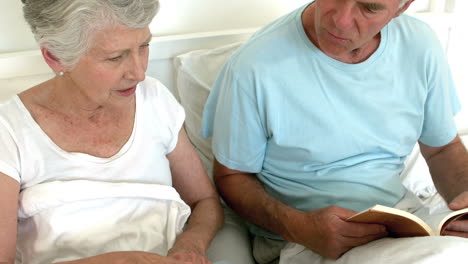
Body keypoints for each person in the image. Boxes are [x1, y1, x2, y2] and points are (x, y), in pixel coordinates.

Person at [201, 0, 468, 263]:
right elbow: (231, 176)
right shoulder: (253, 65)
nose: (340, 20)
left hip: (402, 222)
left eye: (369, 7)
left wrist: (464, 204)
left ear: (402, 7)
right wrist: (301, 228)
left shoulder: (419, 44)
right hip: (301, 241)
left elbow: (442, 149)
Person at [0, 1, 223, 264]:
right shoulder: (10, 131)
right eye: (115, 57)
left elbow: (205, 201)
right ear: (56, 57)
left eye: (144, 46)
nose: (139, 73)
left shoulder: (154, 98)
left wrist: (191, 245)